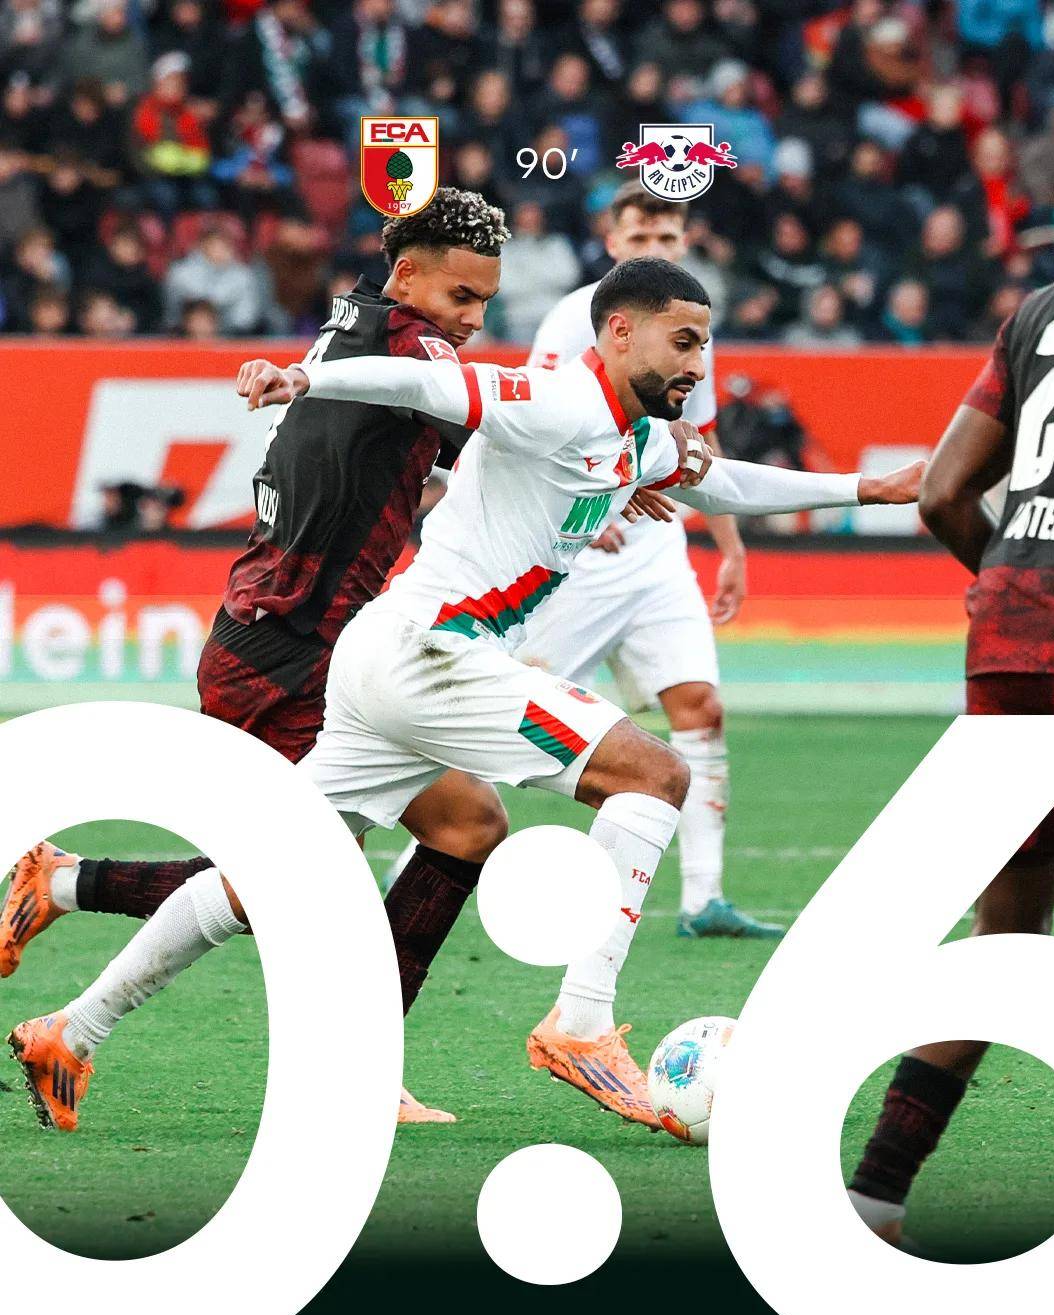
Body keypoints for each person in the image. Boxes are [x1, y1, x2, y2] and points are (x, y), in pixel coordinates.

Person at [6, 258, 924, 1136]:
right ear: (619, 332)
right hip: (434, 658)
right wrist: (304, 378)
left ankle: (70, 1030)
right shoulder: (558, 400)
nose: (697, 364)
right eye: (682, 343)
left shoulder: (635, 439)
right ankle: (580, 1023)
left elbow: (720, 481)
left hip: (385, 657)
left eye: (704, 347)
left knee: (286, 870)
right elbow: (430, 385)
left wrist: (869, 489)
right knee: (655, 777)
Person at [1, 188, 515, 1128]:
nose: (474, 320)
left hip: (297, 641)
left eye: (485, 301)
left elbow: (447, 441)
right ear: (408, 278)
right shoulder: (413, 349)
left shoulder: (358, 321)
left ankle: (65, 900)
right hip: (293, 649)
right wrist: (620, 459)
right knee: (305, 875)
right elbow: (501, 423)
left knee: (450, 828)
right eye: (462, 296)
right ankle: (77, 1015)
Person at [846, 261, 1054, 1249]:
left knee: (1009, 928)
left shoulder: (1044, 306)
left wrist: (1026, 597)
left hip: (1015, 631)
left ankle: (876, 1195)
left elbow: (943, 493)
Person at [520, 184, 779, 943]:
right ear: (612, 242)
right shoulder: (575, 317)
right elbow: (536, 423)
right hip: (579, 557)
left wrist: (729, 546)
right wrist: (586, 508)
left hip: (659, 553)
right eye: (640, 237)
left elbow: (700, 444)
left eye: (666, 237)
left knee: (700, 706)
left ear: (684, 241)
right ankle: (424, 853)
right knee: (513, 717)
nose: (654, 249)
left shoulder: (692, 329)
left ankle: (704, 899)